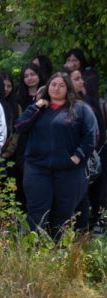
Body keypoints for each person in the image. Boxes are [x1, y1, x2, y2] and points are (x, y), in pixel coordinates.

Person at [15, 73, 97, 239]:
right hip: (37, 169)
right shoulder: (39, 108)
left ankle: (59, 254)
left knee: (63, 213)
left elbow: (91, 136)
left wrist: (78, 156)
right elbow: (20, 126)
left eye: (61, 85)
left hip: (68, 171)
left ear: (68, 88)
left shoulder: (80, 108)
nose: (56, 88)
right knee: (37, 213)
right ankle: (36, 254)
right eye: (53, 84)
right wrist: (36, 107)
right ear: (47, 87)